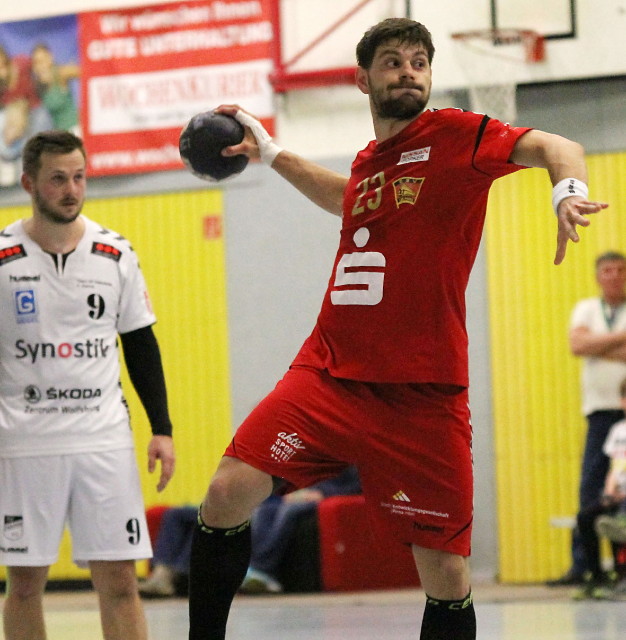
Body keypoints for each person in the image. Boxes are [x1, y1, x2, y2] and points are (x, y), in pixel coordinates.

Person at [186, 18, 607, 640]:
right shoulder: (371, 163)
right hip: (330, 373)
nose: (408, 72)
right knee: (226, 492)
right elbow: (349, 198)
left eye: (418, 62)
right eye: (392, 61)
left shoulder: (456, 135)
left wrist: (565, 193)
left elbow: (557, 145)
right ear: (364, 80)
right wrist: (272, 154)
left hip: (422, 395)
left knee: (446, 572)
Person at [0, 130, 175, 640]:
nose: (71, 190)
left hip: (103, 440)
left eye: (79, 177)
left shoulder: (114, 253)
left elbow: (140, 344)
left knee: (121, 581)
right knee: (24, 584)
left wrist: (161, 428)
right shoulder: (3, 256)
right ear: (29, 183)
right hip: (24, 441)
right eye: (58, 179)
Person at [139, 467, 361, 598]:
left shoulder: (346, 446)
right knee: (178, 515)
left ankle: (260, 572)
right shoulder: (274, 451)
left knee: (270, 511)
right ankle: (164, 574)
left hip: (297, 500)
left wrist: (320, 492)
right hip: (249, 498)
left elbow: (358, 483)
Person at [548, 251, 626, 586]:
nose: (614, 276)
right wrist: (620, 340)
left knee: (622, 489)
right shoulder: (586, 308)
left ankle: (621, 568)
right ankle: (584, 566)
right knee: (591, 488)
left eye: (620, 270)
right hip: (599, 411)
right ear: (597, 276)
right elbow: (578, 345)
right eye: (607, 271)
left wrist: (598, 346)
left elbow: (588, 344)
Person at [241, 465, 361, 594]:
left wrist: (322, 493)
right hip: (307, 493)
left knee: (289, 511)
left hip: (329, 497)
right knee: (265, 509)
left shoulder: (354, 462)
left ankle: (264, 569)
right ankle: (254, 567)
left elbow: (356, 486)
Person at [574, 377, 626, 599]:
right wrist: (609, 491)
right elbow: (614, 466)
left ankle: (621, 574)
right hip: (617, 495)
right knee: (586, 517)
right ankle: (596, 576)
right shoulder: (617, 431)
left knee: (619, 518)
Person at [31, 43, 80, 134]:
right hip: (60, 135)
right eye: (36, 62)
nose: (40, 66)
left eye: (42, 61)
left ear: (50, 58)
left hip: (75, 129)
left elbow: (86, 72)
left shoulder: (60, 73)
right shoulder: (39, 85)